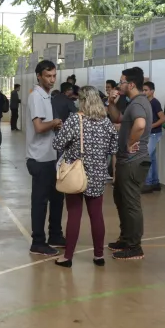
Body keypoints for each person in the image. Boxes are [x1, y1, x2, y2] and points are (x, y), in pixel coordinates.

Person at [50, 86, 117, 268]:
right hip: (97, 174)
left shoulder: (75, 120)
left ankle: (68, 256)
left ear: (82, 100)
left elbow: (57, 144)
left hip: (75, 173)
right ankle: (98, 255)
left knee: (74, 214)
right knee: (97, 215)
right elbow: (113, 148)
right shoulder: (105, 122)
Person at [106, 67, 152, 260]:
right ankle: (125, 239)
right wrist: (110, 102)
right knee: (121, 198)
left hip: (133, 161)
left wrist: (130, 143)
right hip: (126, 161)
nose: (119, 85)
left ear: (131, 84)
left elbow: (140, 124)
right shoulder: (132, 104)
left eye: (122, 82)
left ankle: (134, 246)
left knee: (130, 203)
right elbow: (117, 118)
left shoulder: (138, 103)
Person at [26, 60, 65, 256]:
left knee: (57, 198)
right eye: (48, 76)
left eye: (54, 76)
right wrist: (54, 123)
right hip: (39, 159)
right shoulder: (36, 97)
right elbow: (39, 127)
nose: (52, 80)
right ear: (39, 76)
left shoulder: (48, 96)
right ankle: (38, 241)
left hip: (51, 157)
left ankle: (55, 234)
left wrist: (54, 125)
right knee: (40, 202)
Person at [142, 81, 165, 193]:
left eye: (146, 90)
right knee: (152, 158)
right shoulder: (145, 102)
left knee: (147, 157)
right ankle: (155, 182)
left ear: (152, 91)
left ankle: (148, 183)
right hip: (149, 133)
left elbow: (163, 118)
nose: (144, 92)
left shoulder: (155, 103)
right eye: (143, 90)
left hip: (154, 133)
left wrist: (151, 126)